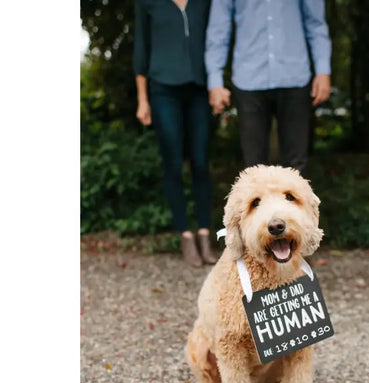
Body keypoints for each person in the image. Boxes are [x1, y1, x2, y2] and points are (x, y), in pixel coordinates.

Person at [133, 0, 217, 267]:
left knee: (201, 162)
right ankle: (185, 234)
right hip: (162, 90)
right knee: (172, 162)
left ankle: (205, 233)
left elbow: (215, 40)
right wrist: (142, 99)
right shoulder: (148, 3)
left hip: (199, 89)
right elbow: (141, 48)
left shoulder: (204, 3)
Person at [205, 0, 332, 175]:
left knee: (297, 168)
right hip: (248, 79)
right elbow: (218, 30)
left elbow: (316, 23)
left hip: (294, 76)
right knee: (253, 169)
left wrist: (323, 71)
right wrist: (215, 80)